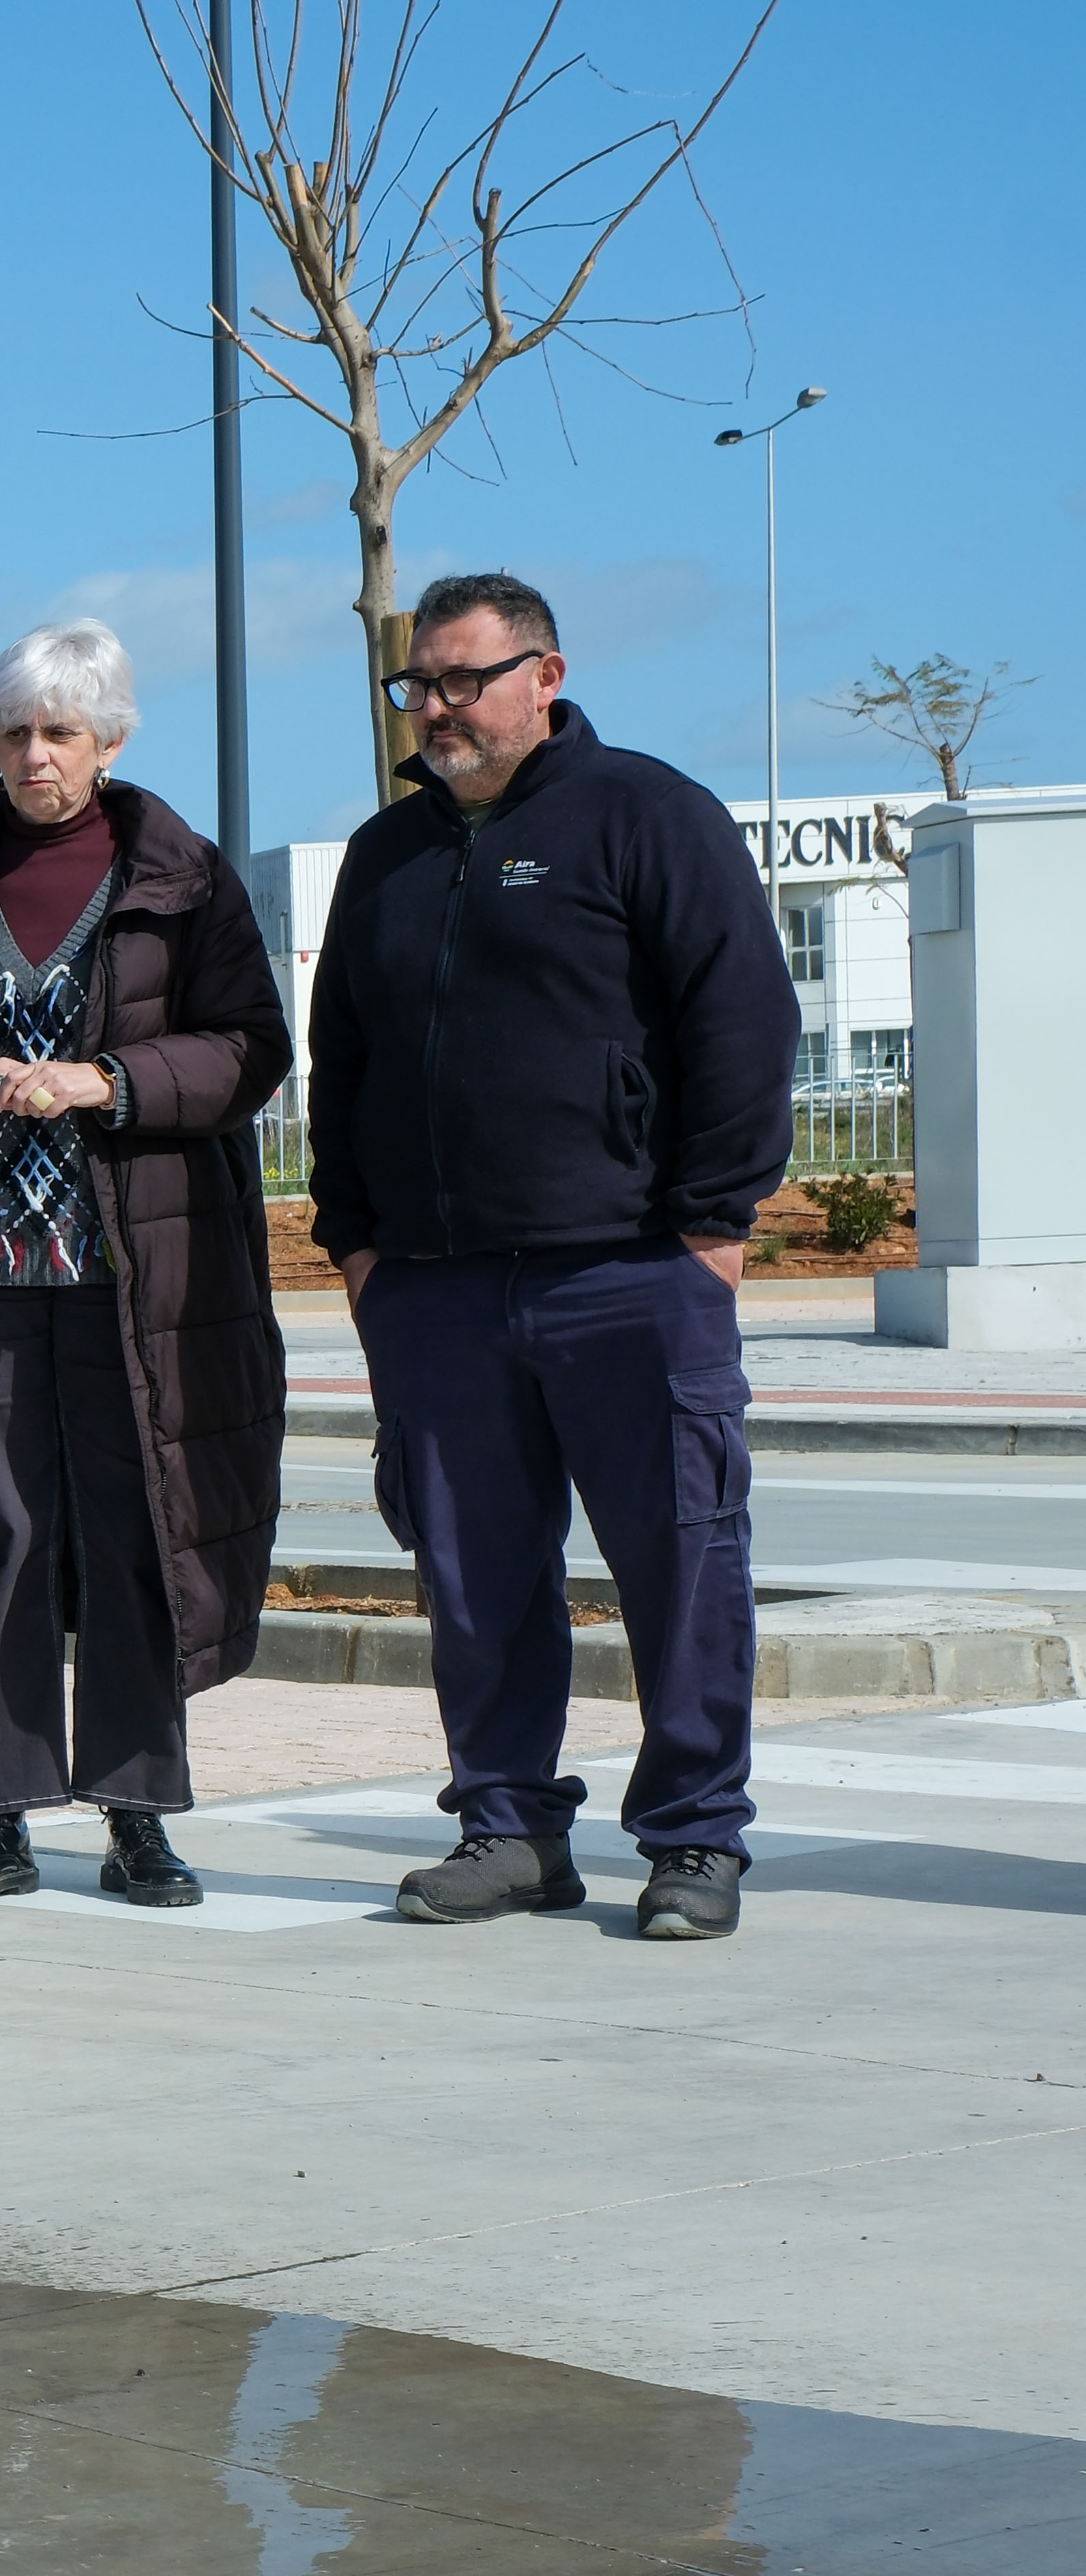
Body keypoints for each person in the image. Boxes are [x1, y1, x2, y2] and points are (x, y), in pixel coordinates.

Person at [309, 572, 798, 1940]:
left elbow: (745, 1024)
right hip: (438, 1288)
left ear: (547, 674)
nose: (441, 708)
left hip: (631, 1269)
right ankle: (510, 1825)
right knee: (473, 1573)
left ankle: (694, 1838)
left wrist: (711, 1227)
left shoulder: (651, 815)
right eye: (422, 683)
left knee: (681, 1564)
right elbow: (337, 1060)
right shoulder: (385, 855)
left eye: (467, 679)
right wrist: (356, 1245)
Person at [0, 621, 295, 1909]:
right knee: (1, 1538)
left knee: (138, 1533)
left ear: (110, 740)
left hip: (137, 1279)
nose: (32, 758)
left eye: (58, 734)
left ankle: (140, 1809)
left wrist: (112, 1080)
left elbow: (251, 1048)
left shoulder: (184, 876)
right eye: (10, 734)